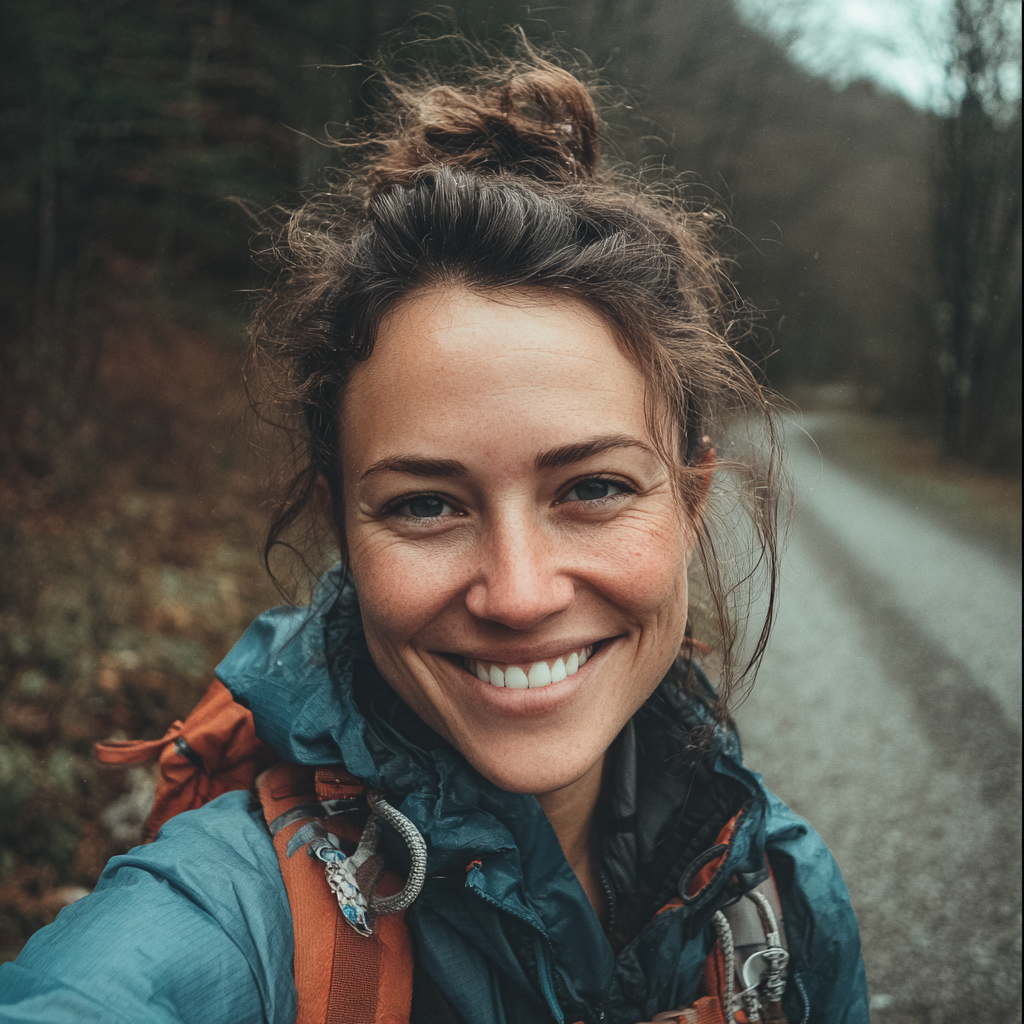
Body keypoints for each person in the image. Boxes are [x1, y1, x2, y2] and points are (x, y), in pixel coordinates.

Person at [0, 51, 869, 1024]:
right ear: (340, 524)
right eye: (424, 505)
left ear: (692, 498)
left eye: (590, 486)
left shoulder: (783, 909)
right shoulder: (238, 915)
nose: (519, 591)